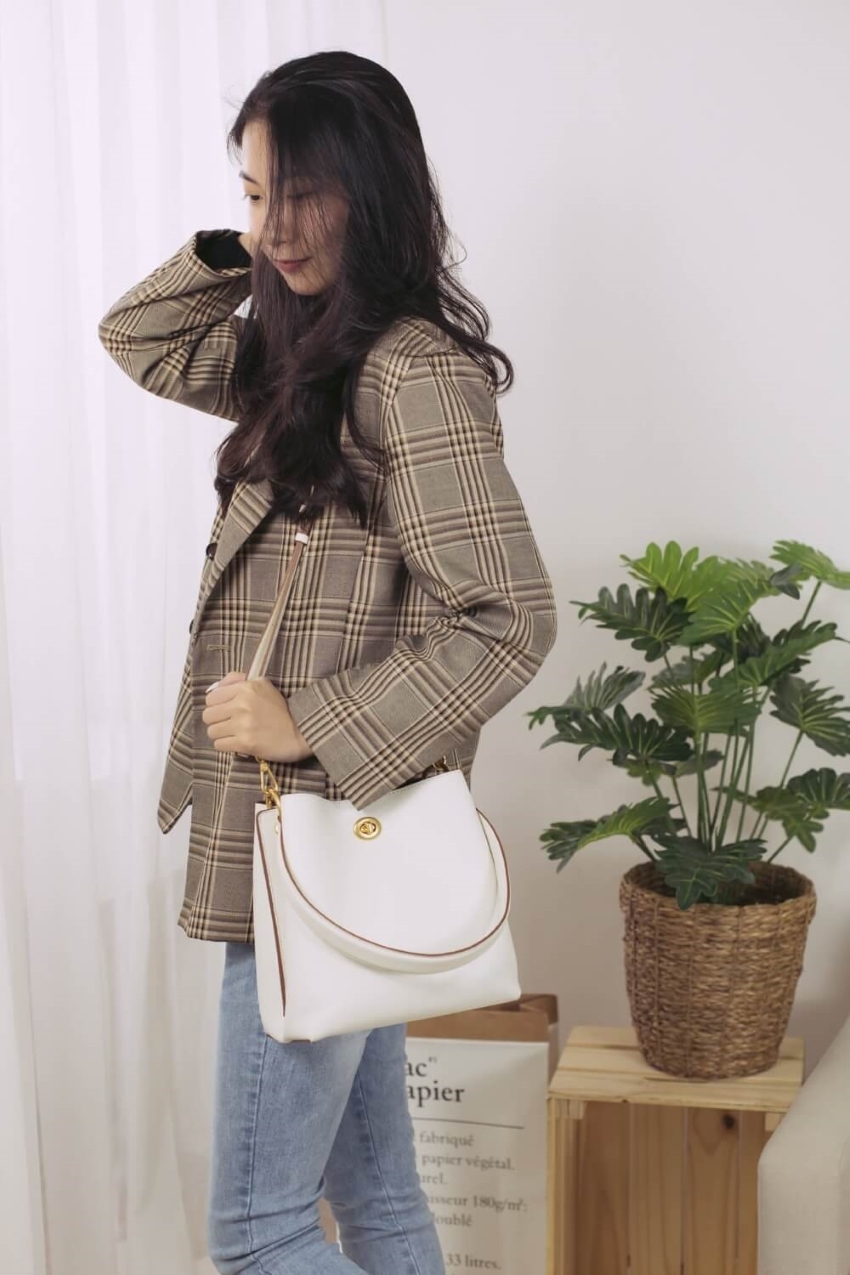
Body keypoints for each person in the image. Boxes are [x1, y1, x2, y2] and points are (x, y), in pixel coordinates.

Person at [98, 49, 557, 1275]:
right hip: (321, 852)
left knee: (258, 1238)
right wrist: (241, 243)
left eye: (301, 193)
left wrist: (308, 718)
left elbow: (509, 617)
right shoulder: (303, 360)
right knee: (380, 1200)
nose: (275, 228)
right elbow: (138, 336)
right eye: (256, 194)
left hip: (320, 835)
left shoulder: (411, 374)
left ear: (372, 188)